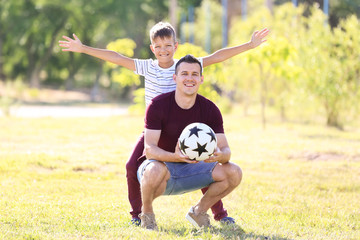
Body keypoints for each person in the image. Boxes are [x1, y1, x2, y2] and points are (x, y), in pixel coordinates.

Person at [59, 22, 267, 225]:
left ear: (175, 46)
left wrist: (249, 45)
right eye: (158, 46)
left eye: (168, 45)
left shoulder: (185, 66)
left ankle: (218, 214)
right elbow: (117, 58)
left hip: (187, 131)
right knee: (132, 166)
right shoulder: (147, 67)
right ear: (152, 48)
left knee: (203, 163)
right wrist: (83, 48)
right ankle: (138, 215)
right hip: (156, 130)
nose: (163, 50)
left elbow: (217, 56)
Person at [137, 54, 242, 230]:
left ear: (201, 79)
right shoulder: (158, 105)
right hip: (162, 169)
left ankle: (198, 212)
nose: (189, 78)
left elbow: (226, 151)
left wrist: (220, 155)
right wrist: (175, 157)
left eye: (194, 74)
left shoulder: (210, 109)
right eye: (184, 73)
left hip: (194, 170)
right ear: (175, 77)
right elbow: (150, 150)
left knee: (234, 172)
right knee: (154, 169)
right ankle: (147, 215)